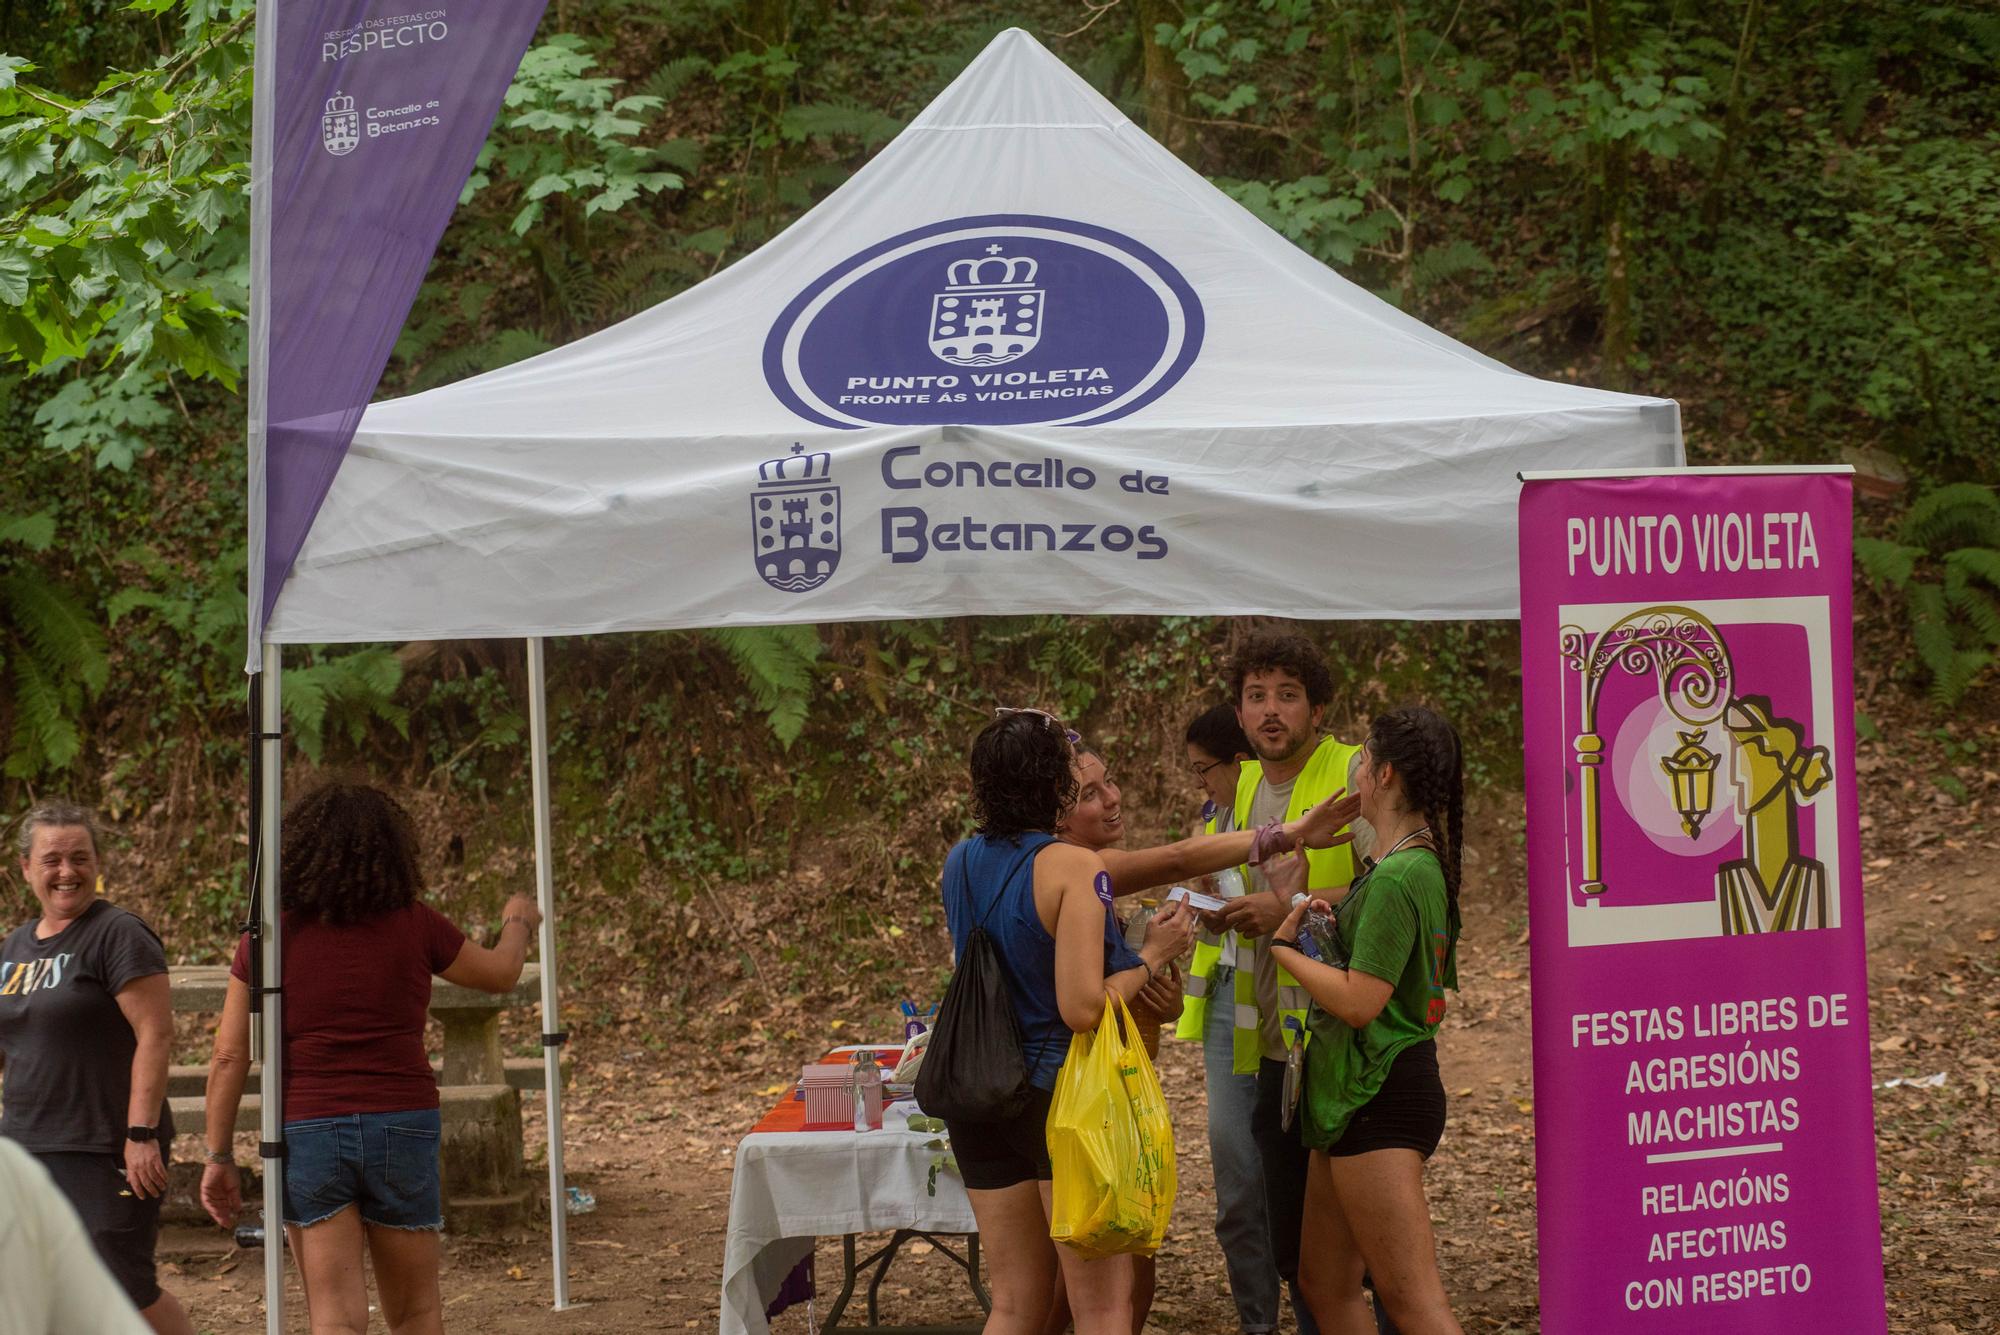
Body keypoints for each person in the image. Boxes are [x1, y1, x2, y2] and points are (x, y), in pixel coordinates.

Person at [198, 782, 543, 1335]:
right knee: (416, 1312)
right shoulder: (416, 922)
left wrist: (217, 1154)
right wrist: (520, 921)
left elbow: (228, 1054)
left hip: (310, 1128)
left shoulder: (270, 936)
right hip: (402, 1121)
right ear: (392, 851)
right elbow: (501, 973)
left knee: (336, 1317)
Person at [937, 709, 1194, 1335]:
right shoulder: (1076, 868)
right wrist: (1151, 957)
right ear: (1053, 787)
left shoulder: (961, 861)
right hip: (1061, 1102)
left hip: (977, 1094)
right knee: (1102, 1308)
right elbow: (1081, 1008)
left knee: (1015, 1305)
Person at [1200, 630, 1379, 1335]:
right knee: (1297, 1247)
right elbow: (1226, 872)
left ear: (1318, 705)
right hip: (1275, 1040)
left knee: (1364, 1245)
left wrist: (1284, 908)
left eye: (1286, 695)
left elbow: (1383, 886)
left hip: (1345, 1035)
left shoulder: (1352, 769)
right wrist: (1217, 905)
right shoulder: (1242, 782)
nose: (1270, 710)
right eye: (1255, 696)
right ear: (1239, 713)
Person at [1267, 706, 1465, 1335]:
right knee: (1324, 1284)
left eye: (1361, 761)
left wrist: (1285, 952)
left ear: (1380, 774)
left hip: (1380, 1093)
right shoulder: (1404, 864)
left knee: (1414, 1304)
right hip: (1354, 1096)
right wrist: (1305, 907)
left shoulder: (1401, 875)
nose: (1352, 770)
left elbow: (1359, 1001)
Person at [0, 801, 195, 1335]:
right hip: (24, 1146)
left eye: (80, 857)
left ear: (97, 863)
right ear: (25, 869)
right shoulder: (13, 949)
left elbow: (155, 1034)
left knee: (123, 1284)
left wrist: (141, 1133)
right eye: (52, 859)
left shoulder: (118, 934)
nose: (67, 871)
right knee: (42, 1282)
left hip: (104, 1143)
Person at [0, 1135, 156, 1335]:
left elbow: (101, 1319)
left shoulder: (14, 1171)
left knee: (130, 1283)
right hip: (34, 1135)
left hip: (84, 1143)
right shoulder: (14, 1167)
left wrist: (140, 1133)